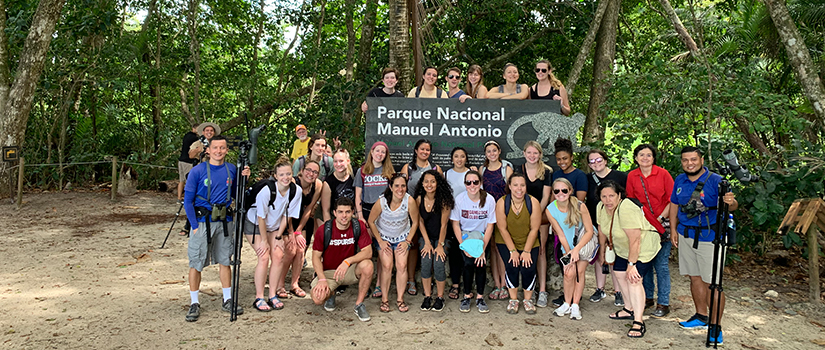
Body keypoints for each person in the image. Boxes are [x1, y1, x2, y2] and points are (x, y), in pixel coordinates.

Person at [670, 146, 738, 345]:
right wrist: (673, 229)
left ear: (701, 159)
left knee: (713, 283)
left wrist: (730, 201)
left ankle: (716, 327)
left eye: (693, 159)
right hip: (686, 234)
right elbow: (674, 204)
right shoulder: (680, 180)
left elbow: (732, 205)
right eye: (685, 160)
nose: (689, 163)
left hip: (710, 237)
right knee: (695, 277)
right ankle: (701, 316)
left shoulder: (716, 180)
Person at [182, 135, 249, 322]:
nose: (219, 151)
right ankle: (194, 302)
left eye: (223, 148)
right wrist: (193, 226)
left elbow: (238, 193)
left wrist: (245, 179)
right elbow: (188, 201)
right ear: (208, 150)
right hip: (203, 221)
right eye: (215, 148)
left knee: (224, 260)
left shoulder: (232, 169)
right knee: (196, 262)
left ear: (227, 150)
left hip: (225, 221)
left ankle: (227, 299)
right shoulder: (197, 171)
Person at [596, 180, 661, 338]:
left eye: (611, 195)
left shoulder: (626, 208)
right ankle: (628, 308)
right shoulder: (600, 207)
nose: (607, 200)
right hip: (623, 249)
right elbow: (602, 230)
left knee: (633, 279)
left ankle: (639, 321)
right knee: (619, 273)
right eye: (604, 196)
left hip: (644, 247)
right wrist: (602, 250)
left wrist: (632, 265)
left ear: (619, 195)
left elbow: (635, 240)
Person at [244, 158, 302, 312]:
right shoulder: (266, 191)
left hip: (275, 224)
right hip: (255, 223)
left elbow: (287, 215)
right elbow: (261, 217)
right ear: (275, 176)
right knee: (263, 255)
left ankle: (272, 294)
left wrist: (278, 237)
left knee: (278, 255)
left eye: (288, 174)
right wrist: (264, 241)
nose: (286, 178)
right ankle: (259, 296)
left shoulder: (296, 191)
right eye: (282, 174)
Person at [625, 144, 674, 318]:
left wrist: (660, 218)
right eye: (641, 155)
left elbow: (672, 200)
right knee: (644, 261)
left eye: (648, 155)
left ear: (654, 158)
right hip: (643, 223)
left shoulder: (663, 174)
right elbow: (631, 200)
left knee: (660, 265)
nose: (645, 158)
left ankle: (663, 302)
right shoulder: (632, 175)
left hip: (663, 222)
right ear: (636, 158)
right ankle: (647, 297)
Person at [310, 197, 374, 322]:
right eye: (340, 212)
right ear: (334, 213)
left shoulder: (358, 226)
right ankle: (331, 294)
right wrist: (322, 278)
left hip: (348, 270)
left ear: (352, 212)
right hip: (328, 272)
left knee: (368, 265)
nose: (344, 216)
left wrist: (347, 261)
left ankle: (359, 304)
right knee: (318, 298)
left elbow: (368, 252)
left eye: (347, 212)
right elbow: (316, 257)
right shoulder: (324, 230)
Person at [368, 174, 420, 313]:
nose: (400, 189)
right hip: (384, 237)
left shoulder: (409, 201)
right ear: (390, 187)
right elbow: (371, 221)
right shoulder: (382, 202)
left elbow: (415, 222)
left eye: (403, 186)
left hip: (402, 237)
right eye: (396, 185)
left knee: (402, 265)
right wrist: (380, 240)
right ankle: (385, 299)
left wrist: (408, 240)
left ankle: (400, 299)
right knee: (386, 265)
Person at [547, 178, 595, 320]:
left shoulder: (580, 206)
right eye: (557, 191)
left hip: (583, 243)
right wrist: (569, 253)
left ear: (570, 191)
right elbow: (560, 234)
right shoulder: (550, 209)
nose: (560, 193)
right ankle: (567, 302)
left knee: (579, 272)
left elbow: (589, 231)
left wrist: (576, 250)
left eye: (564, 190)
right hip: (567, 245)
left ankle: (575, 304)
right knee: (569, 272)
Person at [585, 149, 628, 306]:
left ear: (605, 159)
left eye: (599, 160)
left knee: (614, 255)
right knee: (599, 255)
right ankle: (600, 288)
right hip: (595, 222)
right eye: (592, 161)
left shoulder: (621, 177)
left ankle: (618, 291)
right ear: (589, 164)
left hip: (617, 222)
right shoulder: (588, 178)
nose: (596, 163)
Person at [275, 159, 324, 300]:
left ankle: (294, 284)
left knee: (301, 250)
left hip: (302, 219)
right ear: (301, 171)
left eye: (315, 172)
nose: (311, 174)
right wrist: (291, 232)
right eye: (308, 170)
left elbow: (309, 208)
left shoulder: (318, 185)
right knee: (290, 250)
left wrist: (299, 231)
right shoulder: (293, 184)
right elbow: (287, 209)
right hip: (287, 219)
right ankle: (280, 284)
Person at [494, 173, 541, 314]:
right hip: (506, 241)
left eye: (522, 185)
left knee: (529, 267)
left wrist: (526, 252)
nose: (519, 189)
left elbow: (534, 229)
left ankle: (527, 299)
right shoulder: (502, 202)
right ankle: (513, 299)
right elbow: (502, 228)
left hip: (529, 241)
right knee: (512, 265)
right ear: (509, 186)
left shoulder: (533, 202)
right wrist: (513, 251)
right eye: (515, 185)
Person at [399, 139, 442, 295]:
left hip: (430, 214)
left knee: (428, 246)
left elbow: (441, 192)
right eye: (422, 149)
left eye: (428, 150)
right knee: (414, 246)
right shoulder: (408, 168)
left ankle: (429, 282)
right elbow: (401, 188)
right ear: (416, 150)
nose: (425, 152)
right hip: (409, 212)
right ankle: (411, 280)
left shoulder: (436, 169)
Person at [451, 170, 497, 313]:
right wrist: (462, 246)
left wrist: (482, 248)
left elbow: (490, 225)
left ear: (480, 183)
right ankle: (466, 295)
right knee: (468, 264)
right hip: (465, 237)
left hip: (481, 237)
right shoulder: (459, 199)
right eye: (468, 182)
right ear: (465, 184)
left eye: (475, 182)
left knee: (481, 264)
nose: (472, 185)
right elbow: (455, 224)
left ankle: (480, 297)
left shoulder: (489, 199)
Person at [354, 141, 393, 299]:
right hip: (367, 211)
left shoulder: (389, 171)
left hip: (383, 214)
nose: (380, 154)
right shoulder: (362, 171)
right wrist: (360, 215)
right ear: (372, 152)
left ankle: (378, 284)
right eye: (377, 151)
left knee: (381, 249)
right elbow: (357, 195)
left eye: (383, 152)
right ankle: (365, 283)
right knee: (366, 250)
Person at [413, 170, 455, 311]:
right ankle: (427, 296)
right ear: (422, 183)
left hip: (443, 237)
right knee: (425, 260)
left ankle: (440, 297)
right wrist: (427, 243)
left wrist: (440, 245)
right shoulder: (419, 199)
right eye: (426, 181)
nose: (429, 184)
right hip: (426, 237)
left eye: (432, 181)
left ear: (438, 183)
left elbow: (444, 225)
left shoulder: (444, 199)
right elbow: (420, 222)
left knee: (438, 262)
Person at [479, 140, 513, 301]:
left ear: (499, 151)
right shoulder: (482, 170)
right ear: (485, 154)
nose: (492, 153)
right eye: (488, 151)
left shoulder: (506, 169)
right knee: (492, 248)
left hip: (504, 213)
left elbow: (513, 193)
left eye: (494, 150)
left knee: (503, 247)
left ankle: (505, 285)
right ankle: (497, 284)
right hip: (488, 213)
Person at [445, 147, 471, 300]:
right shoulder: (447, 174)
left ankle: (469, 285)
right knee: (454, 252)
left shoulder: (472, 174)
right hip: (451, 219)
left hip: (470, 220)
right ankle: (455, 284)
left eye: (462, 156)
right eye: (456, 156)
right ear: (452, 159)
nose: (459, 159)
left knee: (468, 252)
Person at [177, 123, 200, 236]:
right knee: (187, 182)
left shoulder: (187, 135)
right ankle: (188, 226)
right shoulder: (195, 139)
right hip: (188, 162)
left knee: (181, 180)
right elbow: (192, 153)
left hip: (181, 160)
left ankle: (179, 197)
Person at [322, 149, 355, 221]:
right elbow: (326, 211)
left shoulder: (354, 176)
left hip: (352, 216)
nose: (338, 164)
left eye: (341, 161)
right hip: (336, 218)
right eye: (335, 161)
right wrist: (329, 229)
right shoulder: (328, 183)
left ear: (348, 161)